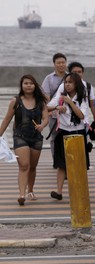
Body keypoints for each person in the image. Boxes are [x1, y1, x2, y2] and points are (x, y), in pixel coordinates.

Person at [0, 75, 48, 205]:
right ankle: (21, 194)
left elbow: (46, 118)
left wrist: (42, 126)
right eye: (26, 83)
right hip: (20, 136)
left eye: (31, 83)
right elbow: (6, 119)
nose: (28, 85)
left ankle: (30, 190)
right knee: (24, 165)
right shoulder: (15, 101)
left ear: (35, 85)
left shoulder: (40, 101)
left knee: (32, 167)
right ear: (21, 85)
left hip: (36, 138)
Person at [47, 72, 89, 201]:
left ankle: (79, 190)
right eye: (66, 82)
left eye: (70, 82)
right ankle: (59, 192)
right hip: (63, 131)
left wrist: (70, 103)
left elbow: (81, 115)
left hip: (78, 133)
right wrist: (58, 106)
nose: (67, 85)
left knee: (79, 164)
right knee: (61, 164)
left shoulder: (82, 98)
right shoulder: (61, 96)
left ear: (76, 84)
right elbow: (48, 107)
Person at [41, 53, 67, 167]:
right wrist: (50, 109)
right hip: (53, 113)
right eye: (58, 63)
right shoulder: (49, 78)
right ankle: (56, 161)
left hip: (66, 113)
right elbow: (45, 95)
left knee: (67, 135)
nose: (61, 65)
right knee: (54, 137)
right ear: (54, 64)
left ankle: (66, 160)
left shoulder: (69, 77)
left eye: (63, 62)